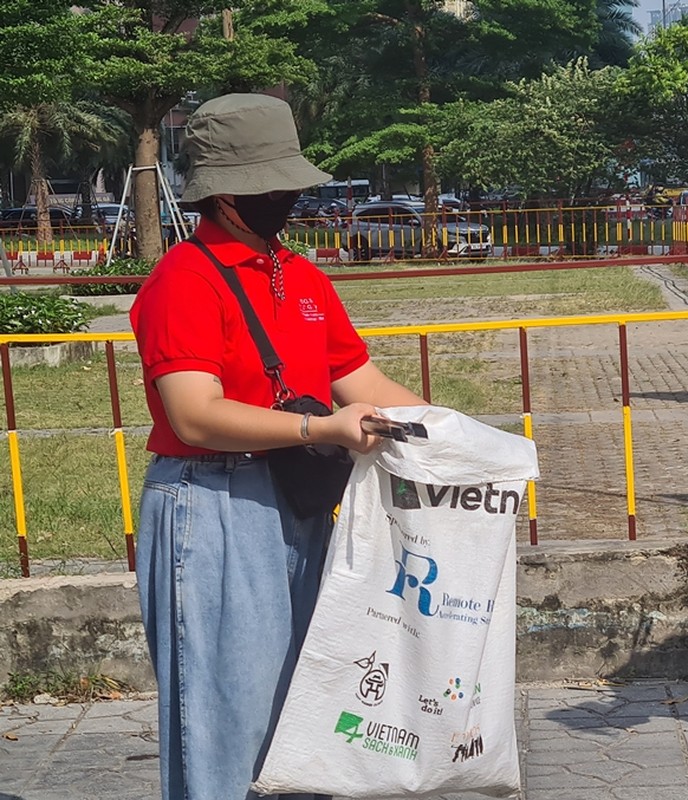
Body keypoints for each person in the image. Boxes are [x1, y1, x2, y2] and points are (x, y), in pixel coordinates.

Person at [130, 93, 424, 800]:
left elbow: (362, 381)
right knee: (228, 717)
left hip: (296, 503)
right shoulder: (186, 279)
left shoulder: (303, 278)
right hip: (214, 502)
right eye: (271, 183)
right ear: (224, 194)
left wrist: (460, 441)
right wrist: (316, 429)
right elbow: (194, 414)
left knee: (308, 711)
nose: (285, 195)